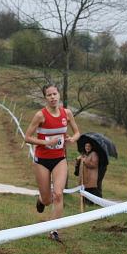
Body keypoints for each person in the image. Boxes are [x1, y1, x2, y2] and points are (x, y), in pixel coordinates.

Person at [24, 84, 80, 242]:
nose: (53, 97)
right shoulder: (40, 116)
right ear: (45, 98)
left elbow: (77, 132)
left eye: (55, 94)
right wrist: (45, 143)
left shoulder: (67, 113)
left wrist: (72, 139)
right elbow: (27, 138)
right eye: (49, 95)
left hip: (59, 159)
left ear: (59, 95)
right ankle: (41, 200)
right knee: (48, 199)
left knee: (59, 194)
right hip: (42, 160)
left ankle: (53, 230)